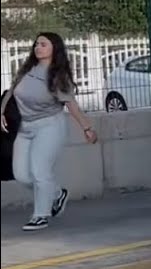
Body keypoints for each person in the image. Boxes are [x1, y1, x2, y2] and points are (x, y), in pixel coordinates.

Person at [0, 32, 99, 231]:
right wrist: (1, 111)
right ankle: (56, 195)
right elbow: (11, 91)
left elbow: (72, 106)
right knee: (21, 175)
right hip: (25, 127)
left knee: (40, 171)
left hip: (49, 126)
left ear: (54, 48)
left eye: (43, 44)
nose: (38, 47)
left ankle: (41, 215)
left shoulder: (57, 76)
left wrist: (87, 128)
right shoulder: (28, 69)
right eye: (36, 44)